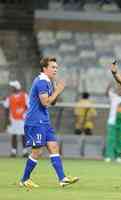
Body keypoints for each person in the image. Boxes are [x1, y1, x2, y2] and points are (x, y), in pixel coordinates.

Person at [19, 56, 79, 189]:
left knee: (53, 147)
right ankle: (24, 179)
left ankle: (62, 179)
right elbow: (45, 102)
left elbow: (52, 101)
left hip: (44, 121)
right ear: (44, 68)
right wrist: (57, 91)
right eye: (53, 67)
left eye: (57, 67)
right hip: (35, 120)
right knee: (37, 152)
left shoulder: (48, 81)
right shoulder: (41, 81)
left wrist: (57, 90)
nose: (56, 69)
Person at [104, 82, 121, 163]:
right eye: (118, 88)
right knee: (111, 139)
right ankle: (109, 156)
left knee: (120, 140)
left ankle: (118, 156)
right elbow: (106, 93)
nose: (119, 90)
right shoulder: (113, 96)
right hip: (112, 122)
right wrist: (109, 85)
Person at [3, 80, 28, 157]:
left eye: (12, 87)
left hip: (22, 119)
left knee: (23, 135)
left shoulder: (25, 96)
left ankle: (25, 151)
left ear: (16, 87)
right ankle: (14, 151)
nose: (11, 88)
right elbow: (6, 108)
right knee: (14, 135)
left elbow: (29, 106)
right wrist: (7, 120)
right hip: (13, 119)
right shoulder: (9, 97)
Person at [74, 92, 97, 157]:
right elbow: (93, 115)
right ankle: (87, 154)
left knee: (78, 139)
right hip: (88, 124)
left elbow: (76, 115)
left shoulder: (79, 103)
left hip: (79, 124)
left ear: (82, 96)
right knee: (87, 139)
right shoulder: (90, 104)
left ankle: (78, 154)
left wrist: (79, 123)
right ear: (88, 97)